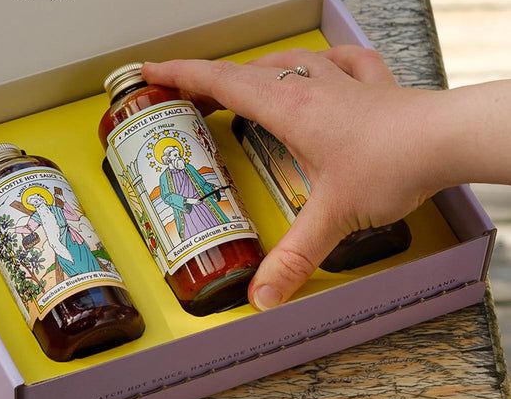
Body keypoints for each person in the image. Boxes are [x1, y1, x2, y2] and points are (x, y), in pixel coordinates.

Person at [143, 47, 511, 311]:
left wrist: (407, 127)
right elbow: (171, 195)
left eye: (177, 153)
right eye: (170, 155)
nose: (175, 157)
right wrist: (409, 121)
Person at [157, 140, 228, 239]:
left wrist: (213, 188)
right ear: (168, 160)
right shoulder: (164, 177)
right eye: (175, 156)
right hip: (186, 211)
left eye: (179, 155)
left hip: (203, 204)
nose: (179, 157)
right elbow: (167, 197)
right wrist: (188, 201)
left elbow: (202, 184)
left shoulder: (189, 168)